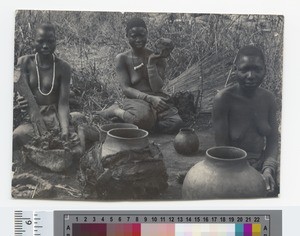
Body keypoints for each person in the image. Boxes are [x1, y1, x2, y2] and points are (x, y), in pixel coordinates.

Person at [96, 17, 183, 134]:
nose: (138, 39)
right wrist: (149, 98)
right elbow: (126, 89)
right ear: (126, 36)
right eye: (133, 36)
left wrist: (151, 63)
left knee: (176, 123)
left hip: (157, 98)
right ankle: (116, 111)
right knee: (143, 119)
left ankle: (141, 122)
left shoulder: (157, 56)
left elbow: (157, 88)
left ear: (147, 34)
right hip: (136, 100)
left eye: (142, 35)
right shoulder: (122, 58)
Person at [212, 45, 279, 195]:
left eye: (257, 69)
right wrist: (250, 175)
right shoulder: (223, 99)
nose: (250, 75)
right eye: (244, 69)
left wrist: (268, 169)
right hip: (233, 166)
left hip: (263, 164)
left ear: (265, 70)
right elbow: (222, 150)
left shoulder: (268, 99)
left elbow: (273, 141)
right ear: (235, 70)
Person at [13, 23, 82, 156]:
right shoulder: (24, 62)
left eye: (50, 41)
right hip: (33, 117)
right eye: (40, 41)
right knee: (16, 136)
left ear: (56, 41)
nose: (45, 45)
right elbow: (22, 92)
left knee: (74, 151)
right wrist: (20, 101)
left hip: (56, 116)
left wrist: (65, 129)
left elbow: (63, 103)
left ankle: (74, 126)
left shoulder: (63, 67)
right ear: (33, 41)